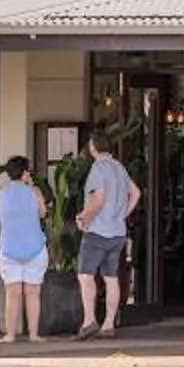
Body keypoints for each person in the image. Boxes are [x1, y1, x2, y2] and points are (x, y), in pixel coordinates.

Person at [75, 127, 139, 339]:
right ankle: (109, 324)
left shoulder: (98, 168)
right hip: (117, 232)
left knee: (86, 275)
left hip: (97, 232)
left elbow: (98, 198)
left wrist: (84, 217)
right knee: (111, 277)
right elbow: (136, 193)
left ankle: (89, 321)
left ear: (93, 147)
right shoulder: (119, 167)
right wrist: (122, 214)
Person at [0, 156, 46, 345]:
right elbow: (42, 213)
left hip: (9, 248)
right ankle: (34, 334)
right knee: (33, 293)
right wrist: (31, 186)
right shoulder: (35, 192)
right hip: (35, 247)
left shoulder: (0, 194)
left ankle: (10, 335)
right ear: (25, 173)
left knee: (12, 293)